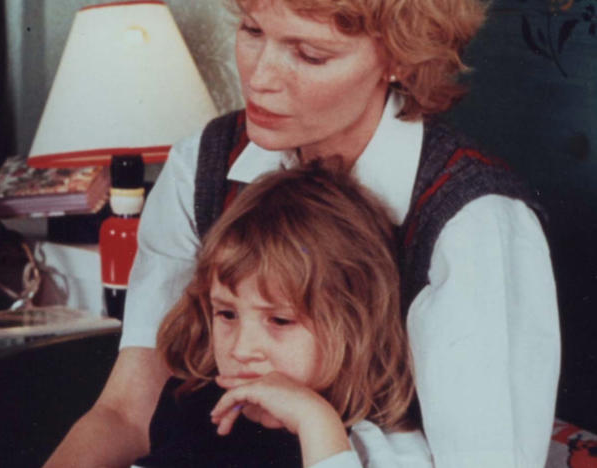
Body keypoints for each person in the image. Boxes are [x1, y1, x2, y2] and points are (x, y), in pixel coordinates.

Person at [44, 0, 560, 467]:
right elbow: (126, 414)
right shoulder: (203, 163)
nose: (260, 78)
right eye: (251, 31)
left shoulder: (475, 224)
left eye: (310, 55)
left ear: (401, 60)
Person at [132, 165, 428, 468]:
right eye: (227, 314)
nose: (241, 350)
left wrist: (314, 423)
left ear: (354, 326)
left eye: (280, 320)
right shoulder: (194, 408)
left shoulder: (383, 445)